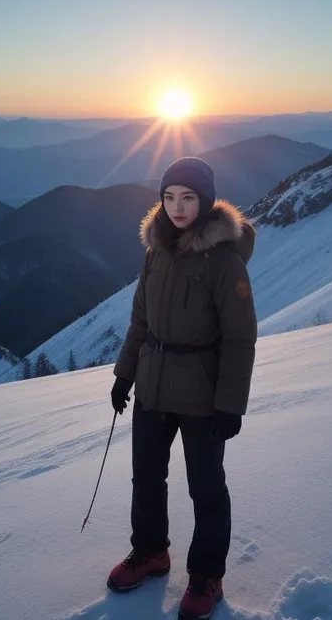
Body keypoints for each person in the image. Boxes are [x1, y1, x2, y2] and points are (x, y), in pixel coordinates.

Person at [108, 156, 257, 620]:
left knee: (206, 489)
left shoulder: (224, 261)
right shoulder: (155, 250)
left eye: (188, 197)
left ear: (205, 202)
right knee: (146, 479)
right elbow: (140, 320)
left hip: (202, 395)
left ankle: (206, 576)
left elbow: (239, 338)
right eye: (169, 196)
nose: (177, 206)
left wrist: (230, 404)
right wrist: (124, 374)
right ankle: (151, 553)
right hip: (152, 386)